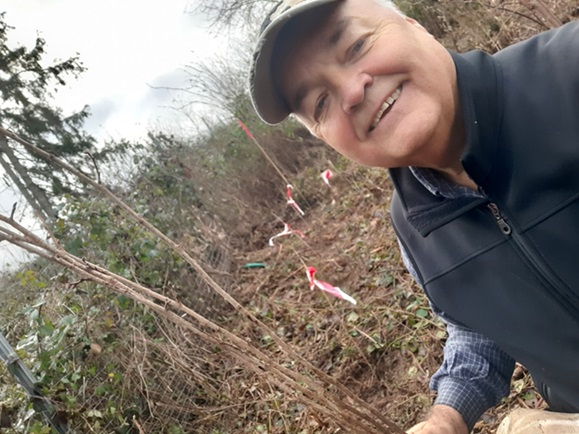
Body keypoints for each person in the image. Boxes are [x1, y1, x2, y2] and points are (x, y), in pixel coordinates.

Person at [248, 0, 579, 433]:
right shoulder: (415, 229)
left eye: (356, 46)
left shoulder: (568, 73)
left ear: (412, 24)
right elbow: (479, 324)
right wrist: (447, 418)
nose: (350, 93)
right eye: (320, 102)